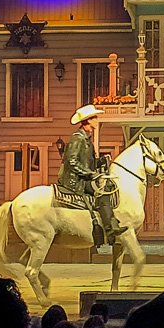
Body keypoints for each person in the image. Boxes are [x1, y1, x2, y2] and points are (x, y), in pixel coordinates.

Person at [58, 103, 125, 246]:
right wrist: (91, 174)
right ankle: (110, 229)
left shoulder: (86, 138)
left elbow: (90, 162)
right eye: (94, 117)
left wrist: (102, 160)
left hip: (83, 176)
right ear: (88, 120)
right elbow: (71, 161)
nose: (97, 119)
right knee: (103, 190)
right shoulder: (78, 138)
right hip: (76, 180)